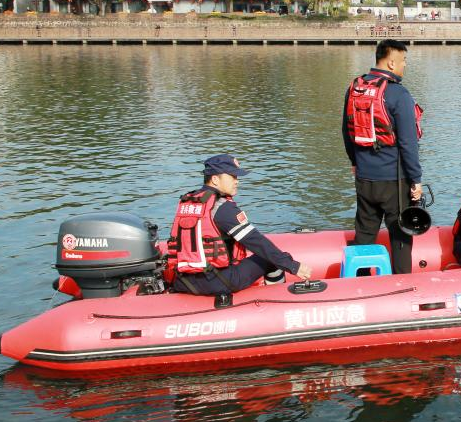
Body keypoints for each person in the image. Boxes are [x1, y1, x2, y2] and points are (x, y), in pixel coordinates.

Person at [165, 154, 312, 299]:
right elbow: (256, 241)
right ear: (215, 179)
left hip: (183, 281)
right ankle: (277, 302)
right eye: (232, 177)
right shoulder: (221, 207)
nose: (237, 181)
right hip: (217, 282)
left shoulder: (187, 202)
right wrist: (292, 266)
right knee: (274, 259)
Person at [343, 39, 424, 275]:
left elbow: (346, 132)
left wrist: (356, 163)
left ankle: (360, 283)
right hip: (394, 180)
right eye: (403, 61)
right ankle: (401, 286)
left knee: (365, 232)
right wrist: (416, 179)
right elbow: (408, 143)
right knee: (400, 235)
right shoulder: (398, 93)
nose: (404, 66)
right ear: (391, 62)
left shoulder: (354, 88)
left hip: (365, 177)